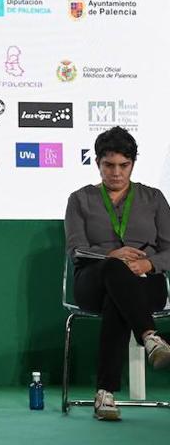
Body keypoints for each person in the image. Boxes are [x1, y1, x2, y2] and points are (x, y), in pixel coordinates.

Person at [65, 125, 170, 422]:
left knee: (118, 299)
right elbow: (76, 249)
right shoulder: (80, 199)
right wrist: (112, 256)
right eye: (108, 165)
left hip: (146, 282)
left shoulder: (154, 198)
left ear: (133, 165)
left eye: (123, 165)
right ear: (97, 163)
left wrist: (148, 264)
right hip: (92, 281)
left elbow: (169, 250)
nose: (116, 172)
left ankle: (105, 394)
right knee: (114, 270)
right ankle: (150, 336)